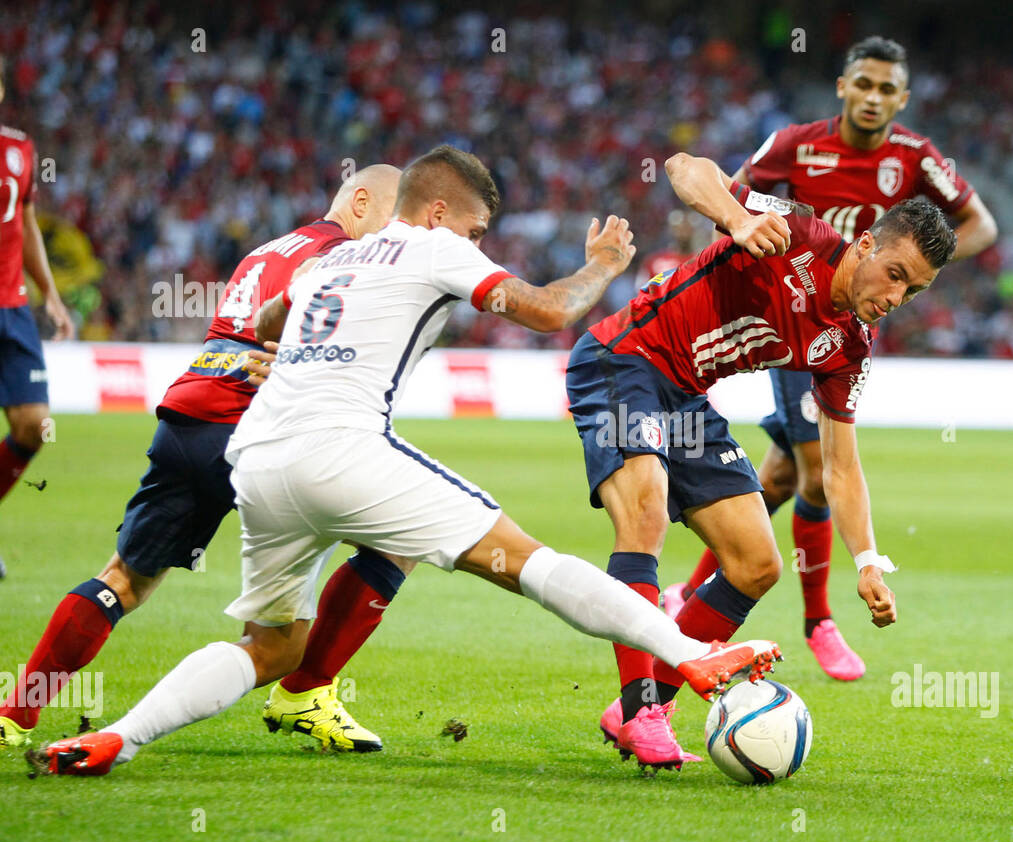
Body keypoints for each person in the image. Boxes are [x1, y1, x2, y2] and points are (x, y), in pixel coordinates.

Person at [33, 146, 779, 777]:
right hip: (341, 449)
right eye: (477, 230)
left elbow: (267, 319)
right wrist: (604, 265)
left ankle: (117, 738)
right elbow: (550, 309)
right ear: (438, 214)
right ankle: (690, 656)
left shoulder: (335, 257)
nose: (479, 245)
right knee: (526, 561)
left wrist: (298, 352)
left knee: (270, 644)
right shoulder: (432, 245)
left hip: (258, 458)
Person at [1, 165, 405, 754]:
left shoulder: (270, 249)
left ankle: (14, 715)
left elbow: (239, 335)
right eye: (395, 219)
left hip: (189, 418)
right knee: (394, 539)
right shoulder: (344, 257)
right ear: (361, 201)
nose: (398, 238)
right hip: (255, 433)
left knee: (124, 580)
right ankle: (306, 693)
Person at [570, 151, 955, 766]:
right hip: (625, 357)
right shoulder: (798, 231)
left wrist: (867, 562)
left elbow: (841, 467)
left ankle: (639, 709)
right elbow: (683, 166)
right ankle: (643, 711)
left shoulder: (850, 344)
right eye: (895, 273)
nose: (897, 296)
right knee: (644, 517)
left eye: (913, 289)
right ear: (864, 246)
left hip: (685, 397)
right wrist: (736, 217)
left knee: (756, 564)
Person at [666, 36, 998, 680]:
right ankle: (818, 620)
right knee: (819, 469)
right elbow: (727, 193)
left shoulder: (918, 159)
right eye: (864, 85)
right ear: (843, 87)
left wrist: (908, 271)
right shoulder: (795, 144)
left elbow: (980, 224)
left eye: (887, 90)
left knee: (785, 478)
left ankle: (693, 591)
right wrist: (741, 236)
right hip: (799, 309)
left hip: (853, 321)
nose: (874, 98)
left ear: (903, 100)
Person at [0, 54, 76, 579]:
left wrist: (49, 291)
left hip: (12, 308)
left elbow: (25, 224)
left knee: (34, 425)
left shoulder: (19, 150)